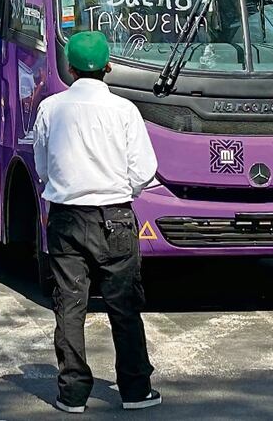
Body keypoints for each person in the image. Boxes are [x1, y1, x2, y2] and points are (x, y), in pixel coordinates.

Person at [32, 31, 161, 413]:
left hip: (67, 217)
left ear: (69, 68)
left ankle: (72, 393)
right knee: (123, 305)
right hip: (115, 217)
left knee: (70, 305)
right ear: (108, 67)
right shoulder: (124, 110)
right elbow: (144, 172)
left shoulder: (51, 108)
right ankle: (135, 390)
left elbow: (42, 167)